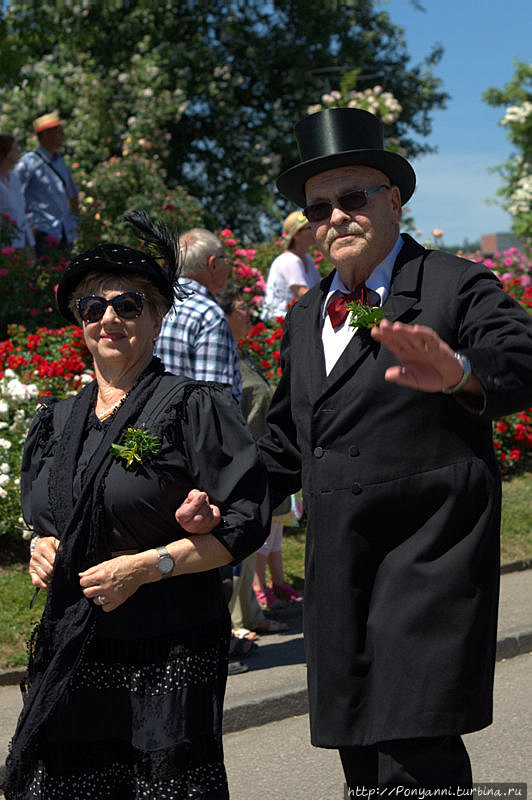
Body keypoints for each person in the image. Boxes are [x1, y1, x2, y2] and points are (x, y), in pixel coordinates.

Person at [177, 108, 532, 789]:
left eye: (353, 197)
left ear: (394, 199)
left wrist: (458, 372)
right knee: (362, 761)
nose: (335, 217)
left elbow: (521, 355)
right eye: (319, 208)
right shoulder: (308, 314)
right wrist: (216, 499)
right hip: (340, 570)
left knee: (414, 758)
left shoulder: (452, 283)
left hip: (429, 564)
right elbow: (285, 439)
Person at [3, 211, 269, 800]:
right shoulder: (58, 418)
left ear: (157, 316)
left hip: (167, 649)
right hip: (74, 645)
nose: (109, 320)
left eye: (128, 305)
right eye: (92, 309)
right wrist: (41, 546)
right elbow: (43, 518)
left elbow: (245, 521)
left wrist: (150, 565)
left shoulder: (193, 407)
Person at [216, 282, 289, 634]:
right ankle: (235, 621)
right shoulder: (220, 355)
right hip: (236, 463)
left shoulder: (242, 355)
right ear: (224, 315)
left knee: (255, 541)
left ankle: (250, 614)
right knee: (239, 544)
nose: (248, 313)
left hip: (261, 462)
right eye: (241, 307)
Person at [155, 227, 241, 403]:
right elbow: (213, 397)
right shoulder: (208, 314)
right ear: (213, 264)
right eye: (224, 258)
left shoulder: (156, 303)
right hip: (194, 427)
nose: (227, 265)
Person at [14, 112, 79, 257]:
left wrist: (76, 223)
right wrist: (29, 227)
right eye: (58, 131)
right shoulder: (28, 162)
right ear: (44, 135)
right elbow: (16, 195)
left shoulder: (60, 161)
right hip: (43, 232)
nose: (62, 135)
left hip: (64, 232)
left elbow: (73, 194)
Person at [261, 210, 321, 320]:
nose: (314, 230)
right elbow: (304, 294)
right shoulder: (289, 260)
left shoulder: (307, 259)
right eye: (309, 228)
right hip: (279, 324)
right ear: (296, 235)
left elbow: (320, 289)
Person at [0, 135, 35, 251]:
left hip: (22, 242)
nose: (19, 151)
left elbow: (20, 212)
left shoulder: (14, 178)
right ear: (5, 151)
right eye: (15, 148)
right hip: (5, 245)